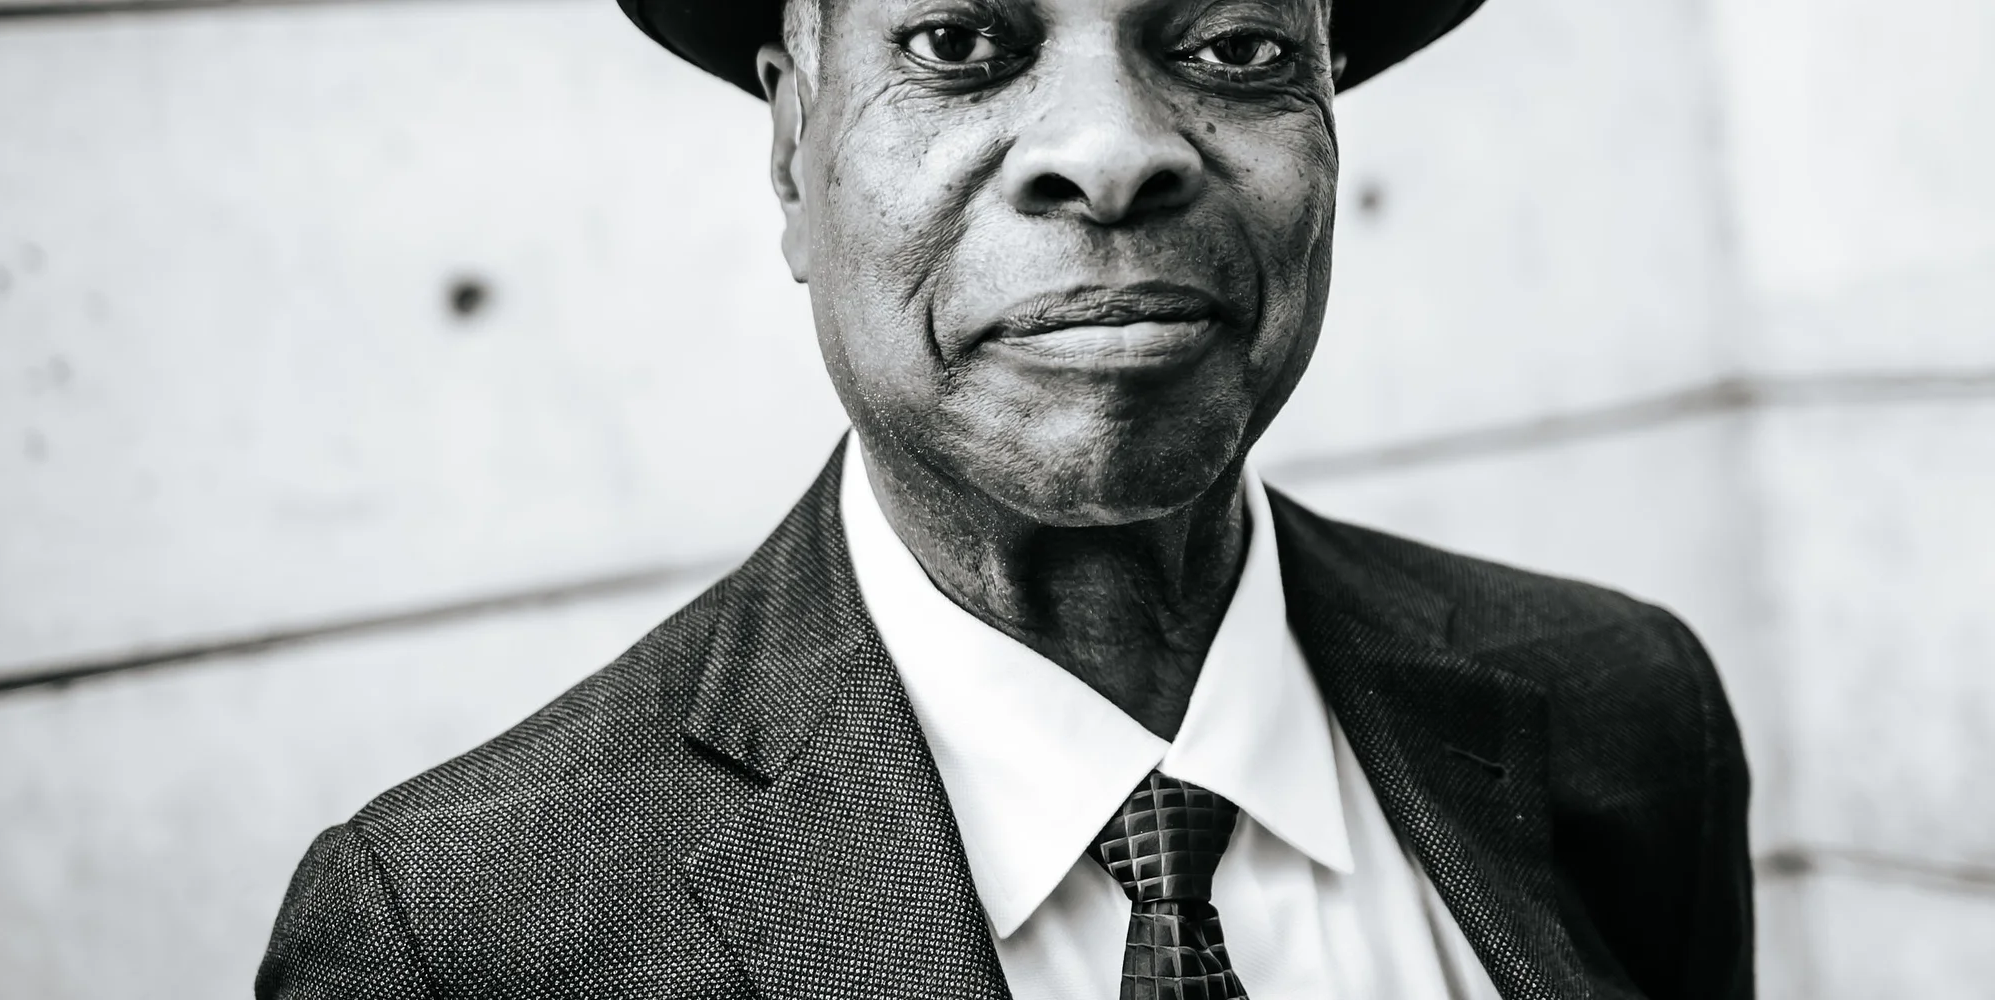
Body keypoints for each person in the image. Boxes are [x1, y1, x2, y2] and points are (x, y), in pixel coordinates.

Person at [257, 0, 1755, 995]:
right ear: (792, 150)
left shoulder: (1623, 712)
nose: (1112, 153)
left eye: (1237, 45)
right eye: (959, 40)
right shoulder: (464, 938)